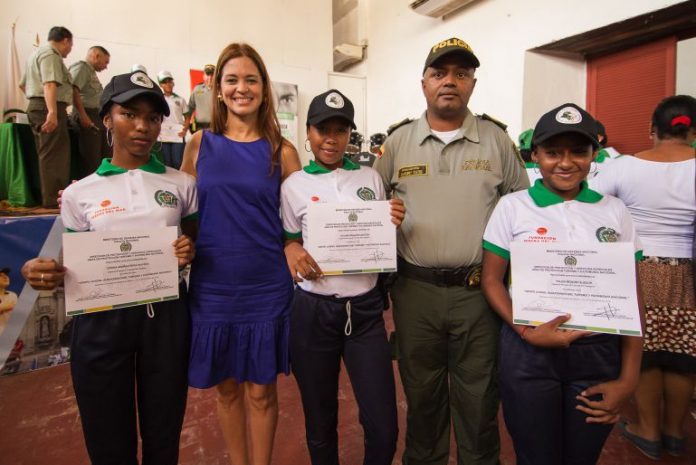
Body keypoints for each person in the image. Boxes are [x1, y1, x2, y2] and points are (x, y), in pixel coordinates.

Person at [21, 71, 197, 465]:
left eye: (153, 118)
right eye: (129, 114)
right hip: (101, 320)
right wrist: (37, 269)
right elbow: (70, 259)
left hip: (165, 317)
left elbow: (195, 242)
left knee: (164, 433)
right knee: (107, 439)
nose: (142, 126)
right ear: (106, 119)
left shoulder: (183, 184)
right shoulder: (80, 192)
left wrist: (190, 250)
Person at [372, 37, 529, 465]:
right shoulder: (398, 143)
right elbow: (366, 208)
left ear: (473, 83)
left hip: (479, 292)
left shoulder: (496, 141)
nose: (450, 82)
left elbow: (524, 211)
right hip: (415, 292)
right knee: (421, 394)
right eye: (440, 73)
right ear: (423, 83)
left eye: (461, 74)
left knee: (479, 395)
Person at [481, 103, 644, 465]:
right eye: (553, 152)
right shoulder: (513, 206)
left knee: (582, 456)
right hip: (529, 354)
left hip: (597, 354)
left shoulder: (614, 211)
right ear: (535, 154)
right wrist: (525, 331)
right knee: (535, 456)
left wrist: (629, 379)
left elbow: (632, 297)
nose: (566, 162)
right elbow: (491, 280)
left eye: (579, 151)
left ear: (594, 155)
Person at [180, 43, 301, 465]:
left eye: (251, 79)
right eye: (232, 80)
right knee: (227, 389)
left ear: (264, 89)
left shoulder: (282, 151)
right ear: (217, 88)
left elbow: (300, 222)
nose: (241, 88)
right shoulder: (198, 145)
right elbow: (182, 215)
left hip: (266, 285)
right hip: (213, 286)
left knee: (261, 390)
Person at [281, 89, 403, 465]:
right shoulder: (294, 185)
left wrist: (392, 220)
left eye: (340, 130)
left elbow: (378, 238)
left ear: (350, 134)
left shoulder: (370, 178)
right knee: (320, 422)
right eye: (322, 130)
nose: (331, 139)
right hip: (313, 311)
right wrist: (291, 249)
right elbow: (289, 239)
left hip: (365, 312)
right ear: (309, 131)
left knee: (384, 425)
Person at [591, 95, 696, 459]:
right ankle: (674, 432)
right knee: (682, 353)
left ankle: (647, 430)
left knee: (647, 351)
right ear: (693, 131)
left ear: (652, 129)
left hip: (639, 265)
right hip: (687, 271)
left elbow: (591, 202)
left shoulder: (625, 167)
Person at [19, 26, 74, 208]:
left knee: (46, 153)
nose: (70, 49)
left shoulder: (35, 54)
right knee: (55, 155)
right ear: (65, 40)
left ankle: (48, 198)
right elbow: (49, 84)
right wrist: (51, 111)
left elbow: (23, 85)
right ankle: (54, 201)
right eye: (70, 45)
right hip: (48, 106)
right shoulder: (50, 54)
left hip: (37, 105)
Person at [69, 45, 111, 177]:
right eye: (105, 62)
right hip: (87, 114)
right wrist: (83, 116)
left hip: (95, 115)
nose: (106, 66)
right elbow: (73, 90)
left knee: (102, 156)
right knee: (91, 158)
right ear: (96, 56)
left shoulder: (90, 71)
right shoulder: (82, 68)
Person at [157, 70, 191, 169]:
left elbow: (187, 117)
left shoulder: (180, 100)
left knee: (178, 161)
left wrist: (185, 130)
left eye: (169, 81)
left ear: (173, 83)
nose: (167, 84)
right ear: (161, 85)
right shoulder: (159, 100)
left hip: (178, 135)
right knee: (167, 163)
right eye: (164, 82)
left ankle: (180, 183)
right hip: (164, 135)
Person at [188, 64, 215, 131]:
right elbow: (190, 107)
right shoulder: (197, 89)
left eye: (212, 75)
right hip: (200, 128)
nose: (210, 78)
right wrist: (188, 121)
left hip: (216, 127)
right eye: (207, 75)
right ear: (203, 76)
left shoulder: (222, 90)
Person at [0, 267, 18, 336]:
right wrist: (5, 307)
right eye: (0, 276)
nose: (5, 277)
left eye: (6, 275)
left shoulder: (13, 295)